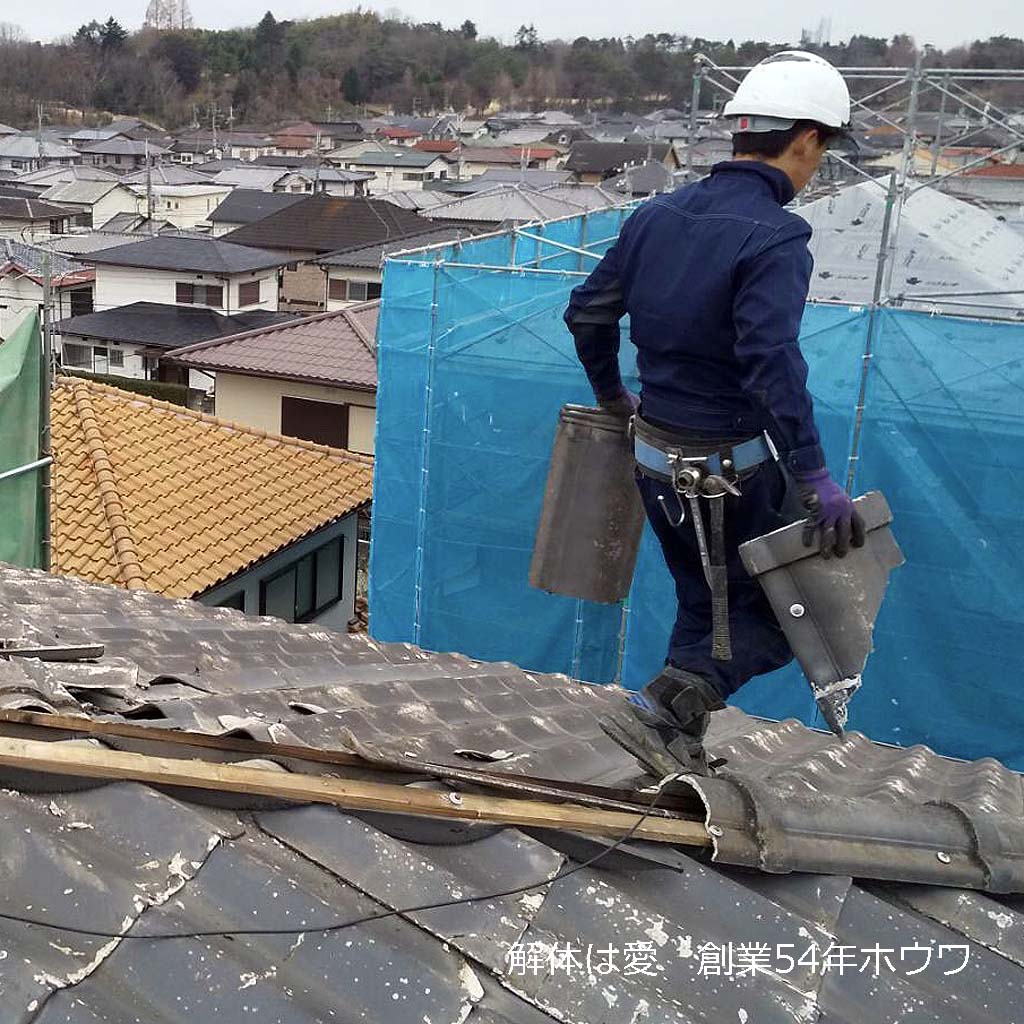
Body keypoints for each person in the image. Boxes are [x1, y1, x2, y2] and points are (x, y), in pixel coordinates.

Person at [564, 51, 865, 777]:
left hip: (656, 462)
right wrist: (815, 473)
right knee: (783, 612)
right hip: (729, 474)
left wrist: (613, 396)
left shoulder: (655, 215)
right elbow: (771, 362)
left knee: (706, 604)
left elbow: (587, 313)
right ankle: (672, 708)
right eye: (821, 152)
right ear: (806, 140)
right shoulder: (776, 235)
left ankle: (673, 743)